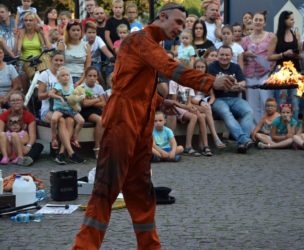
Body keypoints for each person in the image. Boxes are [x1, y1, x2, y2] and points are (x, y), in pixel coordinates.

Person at [72, 3, 236, 249]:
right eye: (178, 22)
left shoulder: (150, 45)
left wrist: (161, 101)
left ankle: (149, 246)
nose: (180, 29)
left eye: (184, 24)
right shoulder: (140, 41)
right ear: (162, 17)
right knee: (106, 187)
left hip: (140, 122)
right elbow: (170, 69)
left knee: (141, 190)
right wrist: (212, 81)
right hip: (122, 120)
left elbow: (136, 84)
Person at [37, 50, 83, 165]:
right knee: (61, 120)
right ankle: (71, 153)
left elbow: (71, 92)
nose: (58, 62)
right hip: (48, 109)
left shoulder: (67, 74)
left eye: (61, 60)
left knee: (70, 120)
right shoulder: (45, 74)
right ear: (50, 60)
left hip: (66, 108)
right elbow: (39, 96)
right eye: (56, 60)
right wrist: (53, 93)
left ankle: (61, 153)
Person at [208, 45, 255, 154]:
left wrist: (237, 85)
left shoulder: (236, 67)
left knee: (249, 111)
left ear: (231, 56)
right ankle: (244, 139)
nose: (224, 57)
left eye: (227, 55)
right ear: (218, 55)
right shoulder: (211, 67)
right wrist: (231, 86)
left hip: (234, 99)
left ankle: (242, 144)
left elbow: (243, 83)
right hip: (218, 99)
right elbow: (213, 85)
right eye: (222, 55)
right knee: (226, 113)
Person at [241, 11, 275, 124]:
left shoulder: (270, 36)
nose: (258, 22)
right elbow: (240, 56)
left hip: (265, 74)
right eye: (256, 20)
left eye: (260, 20)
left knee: (266, 102)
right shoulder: (245, 39)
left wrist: (272, 70)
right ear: (252, 21)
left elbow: (275, 54)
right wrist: (246, 54)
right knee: (252, 104)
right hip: (250, 75)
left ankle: (268, 127)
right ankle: (256, 130)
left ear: (264, 23)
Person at [267, 10, 301, 119]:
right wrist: (283, 54)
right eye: (291, 19)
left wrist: (297, 54)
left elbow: (300, 53)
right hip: (281, 73)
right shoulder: (276, 37)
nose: (293, 21)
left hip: (295, 72)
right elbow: (269, 57)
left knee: (295, 102)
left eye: (293, 19)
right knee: (282, 100)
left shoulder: (296, 34)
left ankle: (293, 127)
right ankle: (281, 127)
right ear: (284, 20)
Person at [169, 77, 212, 156]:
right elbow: (174, 102)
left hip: (185, 108)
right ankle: (188, 146)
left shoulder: (189, 83)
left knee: (202, 116)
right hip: (177, 108)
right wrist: (188, 108)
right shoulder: (173, 82)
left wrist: (192, 108)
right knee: (194, 117)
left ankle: (205, 145)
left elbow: (188, 103)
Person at [0, 91, 43, 166]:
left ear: (23, 101)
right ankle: (6, 156)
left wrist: (28, 146)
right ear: (9, 102)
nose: (15, 102)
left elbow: (32, 136)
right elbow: (0, 132)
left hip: (22, 142)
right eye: (13, 100)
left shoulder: (29, 115)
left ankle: (28, 158)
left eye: (18, 100)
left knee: (38, 146)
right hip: (7, 143)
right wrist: (9, 140)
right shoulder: (5, 114)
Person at [48, 66, 85, 152]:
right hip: (60, 108)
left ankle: (74, 137)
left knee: (81, 121)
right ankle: (54, 137)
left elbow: (75, 96)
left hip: (70, 109)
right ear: (58, 78)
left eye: (67, 75)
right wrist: (59, 98)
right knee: (54, 119)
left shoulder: (72, 86)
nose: (65, 77)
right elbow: (50, 94)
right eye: (63, 75)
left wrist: (80, 97)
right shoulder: (58, 86)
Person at [191, 58, 226, 148]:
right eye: (197, 67)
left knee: (206, 111)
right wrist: (203, 103)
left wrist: (209, 103)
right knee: (206, 109)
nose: (200, 69)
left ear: (205, 68)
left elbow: (212, 96)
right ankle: (215, 138)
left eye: (202, 67)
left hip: (204, 103)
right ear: (194, 68)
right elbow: (190, 98)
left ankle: (202, 145)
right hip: (192, 102)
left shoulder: (207, 78)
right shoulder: (190, 78)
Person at [80, 66, 106, 159]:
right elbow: (84, 104)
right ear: (86, 76)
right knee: (100, 120)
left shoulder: (99, 87)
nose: (92, 78)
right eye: (90, 75)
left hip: (96, 110)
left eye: (94, 76)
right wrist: (97, 99)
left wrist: (93, 101)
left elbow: (103, 103)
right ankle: (97, 147)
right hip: (86, 111)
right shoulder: (82, 87)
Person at [57, 20, 91, 86]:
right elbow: (58, 65)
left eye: (78, 30)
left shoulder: (86, 46)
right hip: (65, 78)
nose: (76, 32)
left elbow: (87, 67)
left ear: (81, 32)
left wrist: (81, 81)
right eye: (73, 30)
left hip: (81, 77)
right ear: (68, 32)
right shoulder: (62, 45)